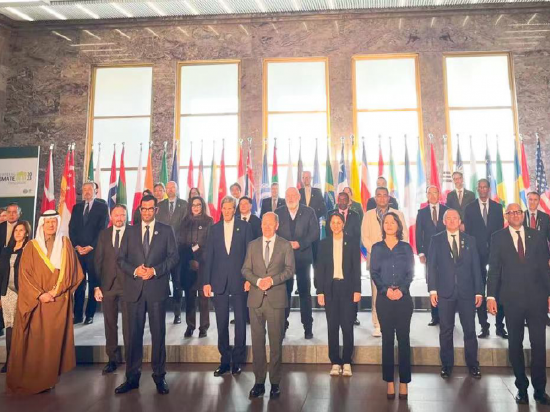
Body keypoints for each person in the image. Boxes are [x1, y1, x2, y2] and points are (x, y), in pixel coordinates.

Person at [7, 210, 84, 394]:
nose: (50, 225)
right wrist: (40, 294)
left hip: (58, 302)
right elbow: (24, 275)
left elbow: (72, 271)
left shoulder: (65, 244)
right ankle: (34, 379)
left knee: (53, 343)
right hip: (37, 302)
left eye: (53, 222)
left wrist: (56, 291)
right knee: (36, 340)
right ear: (42, 224)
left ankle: (49, 380)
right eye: (47, 222)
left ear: (57, 224)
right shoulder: (31, 246)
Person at [487, 203, 550, 405]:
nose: (515, 215)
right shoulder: (498, 237)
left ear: (523, 215)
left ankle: (540, 390)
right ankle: (521, 388)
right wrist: (490, 296)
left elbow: (545, 268)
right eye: (511, 212)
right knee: (515, 344)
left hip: (537, 299)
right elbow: (493, 269)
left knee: (538, 344)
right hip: (512, 300)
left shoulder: (537, 236)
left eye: (518, 212)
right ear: (506, 216)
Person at [115, 195, 178, 395]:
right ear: (140, 210)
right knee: (133, 335)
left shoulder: (166, 230)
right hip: (134, 291)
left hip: (156, 290)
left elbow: (174, 257)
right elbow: (120, 259)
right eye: (144, 209)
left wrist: (155, 271)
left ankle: (159, 376)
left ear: (156, 210)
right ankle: (132, 378)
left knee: (158, 334)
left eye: (151, 208)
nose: (147, 212)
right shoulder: (130, 231)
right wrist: (135, 270)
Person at [242, 212, 295, 400]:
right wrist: (257, 281)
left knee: (275, 343)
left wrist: (271, 281)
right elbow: (245, 269)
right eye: (264, 223)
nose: (266, 227)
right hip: (255, 300)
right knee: (257, 343)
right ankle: (258, 382)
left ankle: (274, 383)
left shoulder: (285, 245)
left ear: (277, 226)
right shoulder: (252, 245)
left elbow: (290, 270)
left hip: (276, 300)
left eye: (270, 224)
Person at [428, 209, 483, 379]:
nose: (452, 221)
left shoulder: (470, 240)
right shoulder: (436, 240)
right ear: (444, 221)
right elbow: (432, 267)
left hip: (467, 292)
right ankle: (446, 365)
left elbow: (476, 267)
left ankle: (473, 364)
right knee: (446, 330)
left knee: (470, 330)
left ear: (460, 221)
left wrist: (479, 291)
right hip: (445, 292)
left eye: (455, 218)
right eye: (449, 218)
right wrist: (432, 290)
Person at [203, 196, 252, 376]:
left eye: (231, 208)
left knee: (240, 321)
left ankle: (237, 360)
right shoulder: (214, 229)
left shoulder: (245, 227)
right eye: (225, 208)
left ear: (235, 209)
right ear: (221, 209)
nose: (227, 211)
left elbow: (249, 255)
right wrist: (206, 282)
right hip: (219, 281)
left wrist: (249, 279)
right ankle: (224, 360)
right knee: (221, 322)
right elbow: (209, 256)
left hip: (240, 280)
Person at [370, 212, 414, 400]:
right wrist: (385, 290)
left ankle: (404, 382)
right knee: (387, 340)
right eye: (386, 222)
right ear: (383, 226)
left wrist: (401, 290)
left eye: (392, 222)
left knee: (403, 340)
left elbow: (410, 273)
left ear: (398, 226)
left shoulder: (406, 247)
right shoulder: (377, 248)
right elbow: (374, 273)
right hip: (384, 299)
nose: (389, 225)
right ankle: (389, 381)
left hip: (403, 299)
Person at [315, 213, 361, 377]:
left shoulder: (352, 242)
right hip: (330, 288)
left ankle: (347, 361)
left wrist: (357, 290)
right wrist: (320, 291)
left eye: (338, 222)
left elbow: (356, 268)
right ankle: (335, 361)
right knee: (332, 326)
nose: (335, 225)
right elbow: (319, 269)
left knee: (347, 325)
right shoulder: (324, 244)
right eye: (333, 222)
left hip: (347, 288)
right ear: (329, 225)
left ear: (343, 224)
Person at [361, 187, 408, 337]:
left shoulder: (398, 214)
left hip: (397, 259)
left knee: (397, 288)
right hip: (376, 259)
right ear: (375, 198)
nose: (382, 198)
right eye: (379, 195)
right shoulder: (368, 215)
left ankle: (396, 322)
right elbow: (364, 237)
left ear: (389, 198)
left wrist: (394, 250)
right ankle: (377, 323)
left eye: (384, 195)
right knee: (377, 292)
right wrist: (377, 251)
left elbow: (405, 235)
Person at [464, 178, 506, 339]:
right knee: (479, 290)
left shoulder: (497, 207)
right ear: (477, 189)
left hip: (496, 254)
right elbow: (468, 234)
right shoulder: (469, 208)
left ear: (489, 189)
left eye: (485, 187)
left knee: (499, 288)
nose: (482, 190)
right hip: (477, 255)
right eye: (480, 187)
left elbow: (501, 232)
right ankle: (484, 326)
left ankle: (500, 326)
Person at [276, 187, 319, 339]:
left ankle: (308, 327)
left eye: (294, 195)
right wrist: (285, 245)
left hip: (303, 259)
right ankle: (282, 326)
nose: (291, 198)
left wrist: (300, 243)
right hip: (283, 261)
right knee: (284, 294)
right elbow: (273, 233)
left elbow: (315, 233)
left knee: (305, 294)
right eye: (288, 195)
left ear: (299, 197)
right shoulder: (278, 212)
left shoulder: (309, 212)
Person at [93, 204, 130, 375]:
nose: (119, 218)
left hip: (128, 285)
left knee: (129, 324)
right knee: (109, 323)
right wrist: (96, 286)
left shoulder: (133, 232)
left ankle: (131, 359)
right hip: (107, 286)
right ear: (111, 217)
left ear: (126, 216)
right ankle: (112, 359)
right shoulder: (103, 234)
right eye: (116, 215)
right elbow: (98, 261)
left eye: (122, 215)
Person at [69, 181, 109, 325]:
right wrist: (76, 246)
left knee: (94, 283)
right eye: (84, 189)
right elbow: (72, 228)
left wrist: (91, 246)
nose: (86, 191)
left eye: (89, 189)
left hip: (94, 251)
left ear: (95, 191)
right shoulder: (77, 207)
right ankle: (78, 315)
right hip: (79, 252)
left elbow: (102, 229)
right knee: (79, 284)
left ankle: (90, 315)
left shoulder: (102, 207)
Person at [178, 196, 213, 338]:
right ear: (190, 207)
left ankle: (204, 327)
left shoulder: (209, 221)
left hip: (203, 264)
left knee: (204, 297)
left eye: (198, 205)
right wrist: (190, 259)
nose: (196, 207)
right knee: (190, 297)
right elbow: (181, 243)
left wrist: (199, 258)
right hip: (188, 265)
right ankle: (190, 326)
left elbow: (210, 244)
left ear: (202, 206)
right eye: (193, 205)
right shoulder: (184, 221)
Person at [0, 220, 30, 373]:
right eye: (16, 230)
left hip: (22, 292)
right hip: (7, 293)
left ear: (26, 233)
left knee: (22, 327)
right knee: (10, 327)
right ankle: (9, 361)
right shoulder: (6, 250)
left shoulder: (29, 250)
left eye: (21, 230)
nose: (18, 233)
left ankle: (23, 362)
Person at [156, 180, 188, 324]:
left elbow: (186, 226)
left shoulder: (184, 205)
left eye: (172, 187)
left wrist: (177, 243)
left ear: (177, 189)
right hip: (162, 252)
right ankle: (159, 313)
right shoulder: (160, 205)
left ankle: (177, 313)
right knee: (161, 282)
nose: (170, 190)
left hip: (178, 250)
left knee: (177, 283)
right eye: (168, 188)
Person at [416, 185, 448, 326]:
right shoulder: (422, 213)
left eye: (435, 193)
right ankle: (435, 316)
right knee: (432, 283)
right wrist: (421, 253)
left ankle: (446, 314)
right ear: (427, 195)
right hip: (429, 254)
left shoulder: (447, 210)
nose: (433, 195)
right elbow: (418, 234)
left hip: (446, 253)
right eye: (430, 193)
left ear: (439, 194)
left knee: (446, 282)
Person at [523, 191, 550, 326]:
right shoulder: (520, 216)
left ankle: (544, 315)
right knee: (526, 287)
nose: (532, 202)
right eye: (530, 199)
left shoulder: (546, 217)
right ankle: (526, 316)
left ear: (539, 202)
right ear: (527, 200)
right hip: (524, 259)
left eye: (535, 200)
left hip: (542, 259)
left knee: (542, 287)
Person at [0, 203, 21, 339]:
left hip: (15, 271)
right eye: (9, 212)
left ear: (19, 214)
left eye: (14, 212)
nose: (11, 214)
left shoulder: (23, 228)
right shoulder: (1, 227)